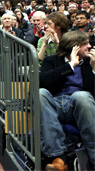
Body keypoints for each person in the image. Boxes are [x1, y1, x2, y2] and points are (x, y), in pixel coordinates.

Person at [39, 30, 95, 170]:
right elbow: (44, 82)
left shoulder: (90, 63)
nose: (90, 46)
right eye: (85, 44)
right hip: (54, 104)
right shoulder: (51, 61)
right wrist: (70, 66)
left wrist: (94, 70)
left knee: (80, 95)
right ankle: (59, 158)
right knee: (41, 93)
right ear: (74, 46)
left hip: (79, 106)